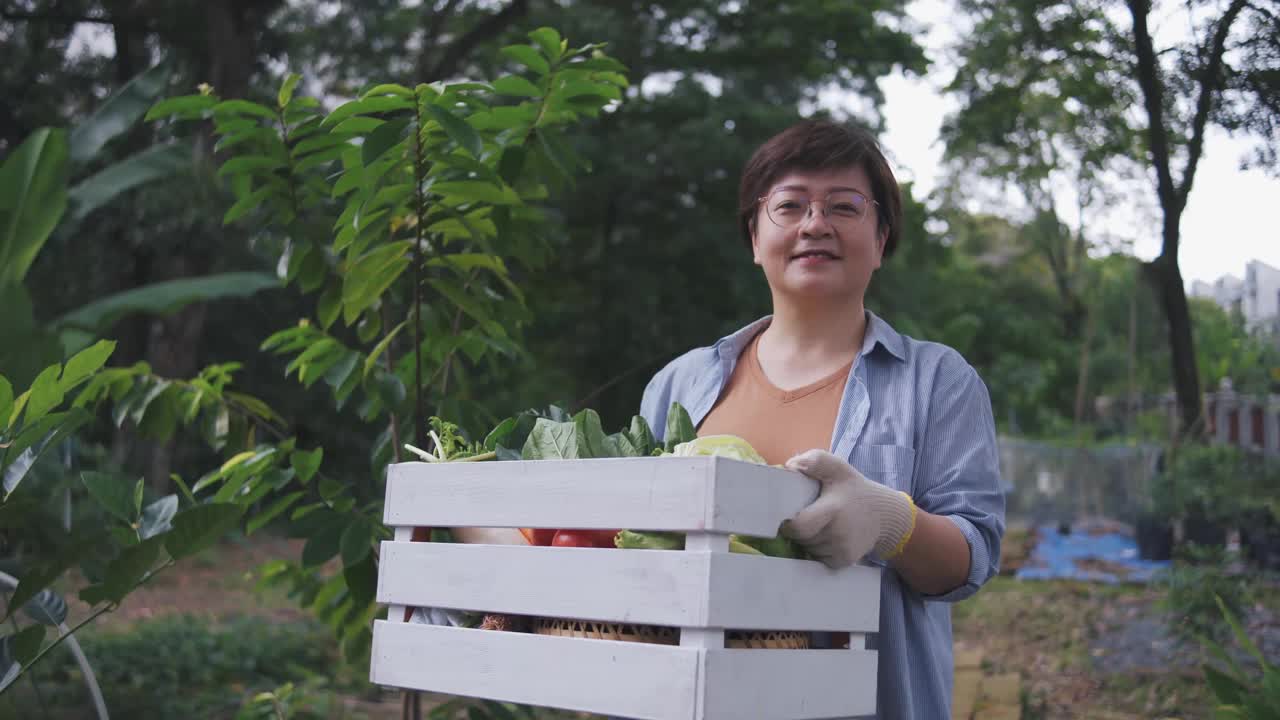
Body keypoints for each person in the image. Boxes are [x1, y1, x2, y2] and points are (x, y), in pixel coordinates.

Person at [638, 118, 1006, 719]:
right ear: (754, 239)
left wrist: (893, 524)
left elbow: (974, 557)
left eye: (844, 206)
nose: (815, 224)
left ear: (882, 239)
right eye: (789, 206)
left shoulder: (939, 382)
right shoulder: (678, 385)